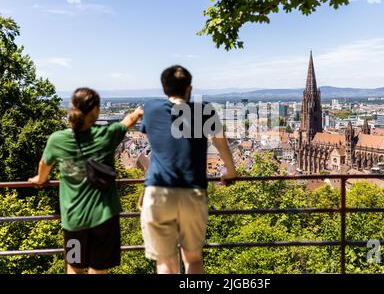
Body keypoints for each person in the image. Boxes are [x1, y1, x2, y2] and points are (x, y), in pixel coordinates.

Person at [28, 88, 143, 274]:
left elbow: (44, 164)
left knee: (74, 267)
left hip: (74, 219)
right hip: (104, 217)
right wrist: (138, 111)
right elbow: (128, 121)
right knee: (98, 269)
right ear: (96, 111)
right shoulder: (107, 134)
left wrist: (39, 179)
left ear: (72, 107)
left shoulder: (57, 139)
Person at [140, 65, 237, 274]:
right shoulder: (205, 110)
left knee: (165, 262)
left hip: (158, 190)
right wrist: (230, 172)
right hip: (192, 190)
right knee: (193, 260)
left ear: (164, 87)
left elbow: (155, 140)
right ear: (189, 88)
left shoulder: (150, 108)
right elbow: (221, 145)